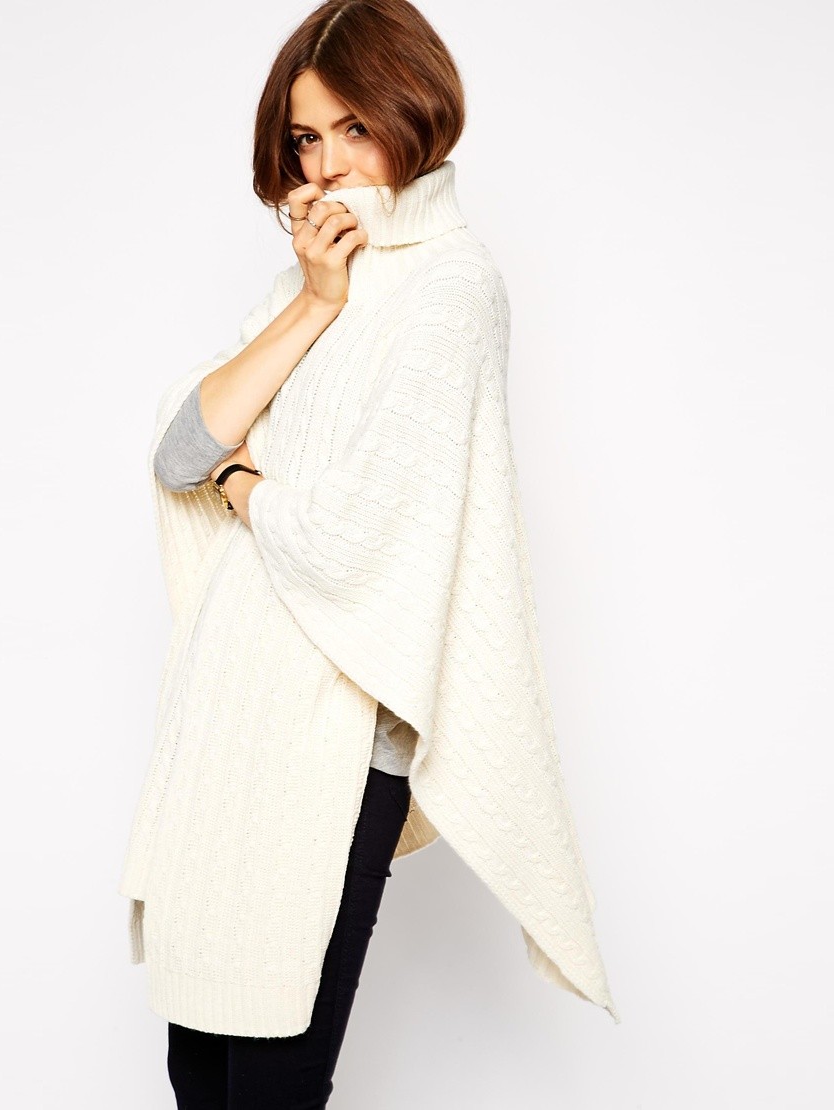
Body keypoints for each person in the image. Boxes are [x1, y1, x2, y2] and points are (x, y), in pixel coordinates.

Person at [118, 0, 619, 1106]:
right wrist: (314, 301)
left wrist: (243, 483)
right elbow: (178, 450)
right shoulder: (311, 280)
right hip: (230, 720)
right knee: (199, 1069)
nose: (330, 165)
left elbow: (355, 542)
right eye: (307, 137)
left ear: (414, 112)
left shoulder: (453, 285)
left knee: (274, 1079)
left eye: (354, 127)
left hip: (337, 743)